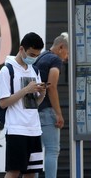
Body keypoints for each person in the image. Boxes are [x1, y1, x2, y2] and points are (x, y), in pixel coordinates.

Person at [0, 32, 46, 178]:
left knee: (31, 173)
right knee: (13, 171)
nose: (34, 58)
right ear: (21, 49)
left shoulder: (34, 70)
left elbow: (34, 104)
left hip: (34, 128)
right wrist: (26, 90)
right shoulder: (7, 71)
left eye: (37, 55)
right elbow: (3, 102)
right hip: (16, 129)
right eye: (31, 54)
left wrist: (42, 93)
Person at [34, 32, 68, 178]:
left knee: (35, 153)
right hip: (47, 111)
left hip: (34, 110)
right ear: (61, 47)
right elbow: (52, 86)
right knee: (52, 150)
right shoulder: (55, 60)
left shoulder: (41, 57)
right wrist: (59, 113)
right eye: (68, 52)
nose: (67, 57)